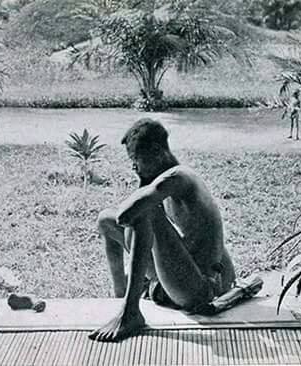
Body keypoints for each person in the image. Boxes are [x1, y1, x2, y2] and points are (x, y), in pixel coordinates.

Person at [91, 118, 236, 342]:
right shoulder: (163, 183)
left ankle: (131, 313)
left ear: (157, 152)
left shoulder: (179, 177)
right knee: (104, 221)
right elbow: (119, 220)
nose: (134, 168)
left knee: (145, 212)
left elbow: (127, 214)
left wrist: (143, 186)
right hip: (182, 278)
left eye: (136, 160)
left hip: (201, 289)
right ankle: (121, 298)